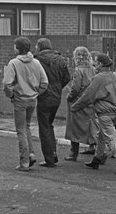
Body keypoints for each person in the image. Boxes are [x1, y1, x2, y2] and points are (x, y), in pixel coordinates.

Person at [71, 53, 116, 175]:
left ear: (101, 64)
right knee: (101, 135)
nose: (94, 65)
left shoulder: (98, 78)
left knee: (109, 137)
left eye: (96, 63)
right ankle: (96, 160)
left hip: (104, 112)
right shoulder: (115, 76)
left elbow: (88, 96)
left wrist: (75, 107)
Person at [2, 37, 49, 171]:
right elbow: (44, 83)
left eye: (14, 46)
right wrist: (35, 94)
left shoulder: (14, 63)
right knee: (26, 127)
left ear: (18, 48)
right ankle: (31, 154)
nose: (13, 48)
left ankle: (24, 162)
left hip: (20, 100)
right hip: (32, 100)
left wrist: (11, 95)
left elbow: (6, 84)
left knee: (21, 130)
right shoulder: (36, 62)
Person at [34, 38, 71, 167]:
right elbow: (67, 77)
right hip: (56, 97)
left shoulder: (36, 61)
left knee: (44, 127)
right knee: (49, 125)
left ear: (39, 47)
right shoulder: (60, 59)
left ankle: (49, 158)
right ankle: (53, 154)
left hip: (43, 96)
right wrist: (57, 88)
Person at [64, 46, 98, 162]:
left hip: (78, 101)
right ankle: (94, 147)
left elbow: (75, 88)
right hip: (90, 100)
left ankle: (74, 153)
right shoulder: (93, 69)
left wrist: (69, 97)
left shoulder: (78, 70)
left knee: (74, 127)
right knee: (90, 124)